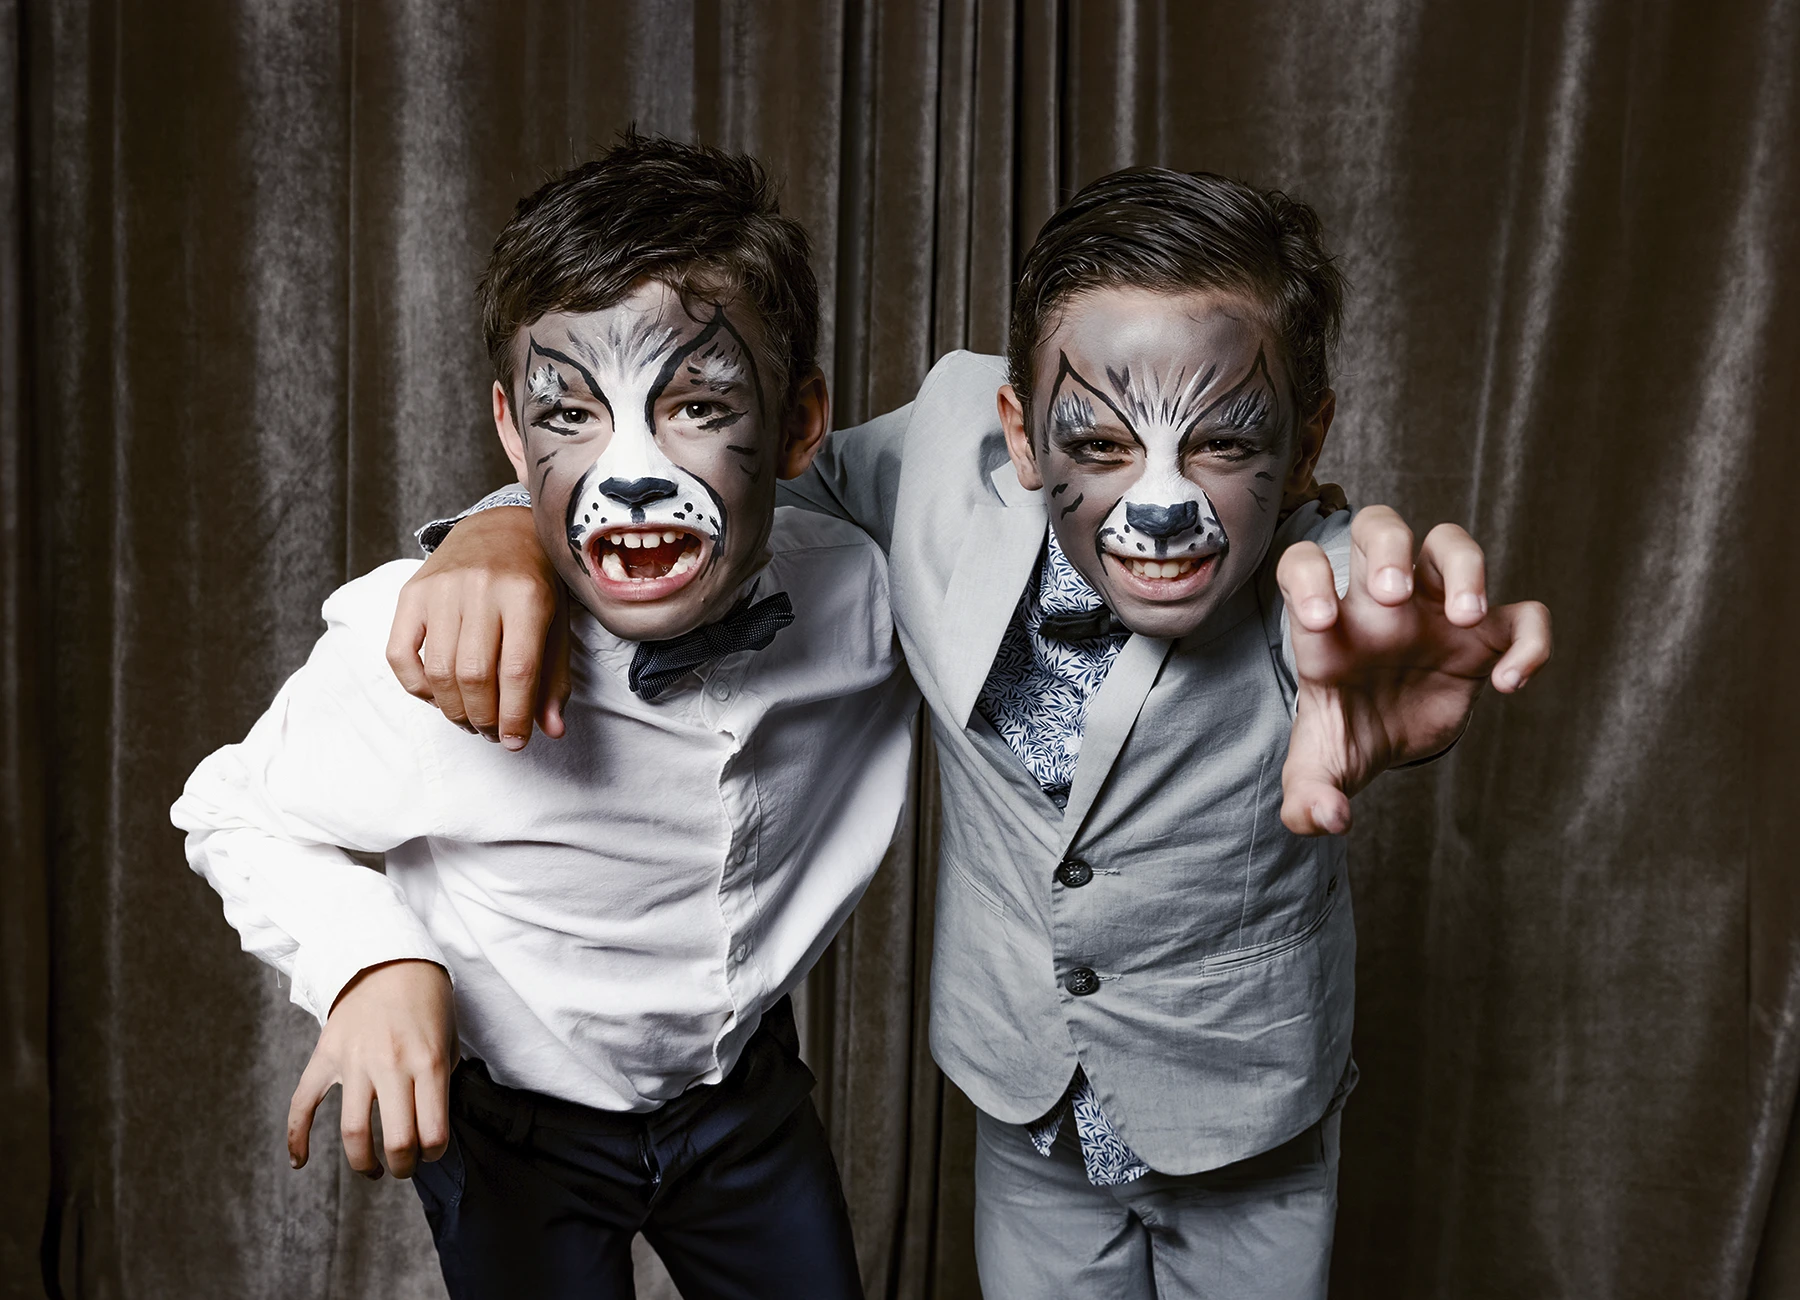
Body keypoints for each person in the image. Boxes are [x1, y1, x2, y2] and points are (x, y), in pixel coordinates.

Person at [392, 166, 1553, 1299]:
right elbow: (719, 482)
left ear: (1302, 446)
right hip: (1024, 1100)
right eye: (1098, 444)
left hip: (1247, 1116)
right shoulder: (942, 462)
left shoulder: (1322, 604)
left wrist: (1394, 643)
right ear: (1020, 430)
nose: (1161, 504)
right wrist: (493, 533)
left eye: (1221, 444)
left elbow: (1352, 598)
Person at [170, 134, 919, 1300]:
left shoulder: (875, 589)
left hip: (745, 1105)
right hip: (519, 1134)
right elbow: (229, 809)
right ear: (516, 436)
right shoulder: (415, 645)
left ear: (798, 421)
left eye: (697, 403)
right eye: (572, 416)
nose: (629, 478)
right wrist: (371, 962)